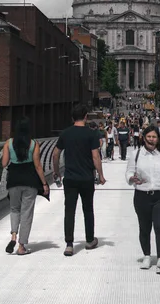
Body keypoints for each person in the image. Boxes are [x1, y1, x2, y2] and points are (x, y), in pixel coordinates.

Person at [52, 105, 106, 257]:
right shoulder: (91, 134)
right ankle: (89, 240)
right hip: (87, 177)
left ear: (72, 118)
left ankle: (69, 244)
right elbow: (95, 156)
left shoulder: (65, 133)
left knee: (69, 210)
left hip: (70, 177)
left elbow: (55, 154)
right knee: (88, 209)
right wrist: (100, 175)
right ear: (86, 116)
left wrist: (56, 172)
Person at [126, 124, 160, 275]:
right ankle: (147, 256)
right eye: (148, 136)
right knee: (144, 228)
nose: (151, 139)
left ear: (158, 139)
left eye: (154, 137)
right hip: (141, 196)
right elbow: (129, 171)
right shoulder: (136, 154)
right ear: (144, 138)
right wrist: (132, 178)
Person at [2, 118, 49, 255]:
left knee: (14, 209)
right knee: (26, 213)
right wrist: (44, 184)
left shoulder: (8, 143)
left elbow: (4, 163)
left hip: (13, 180)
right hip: (30, 181)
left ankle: (13, 236)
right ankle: (21, 246)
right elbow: (38, 166)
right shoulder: (34, 144)